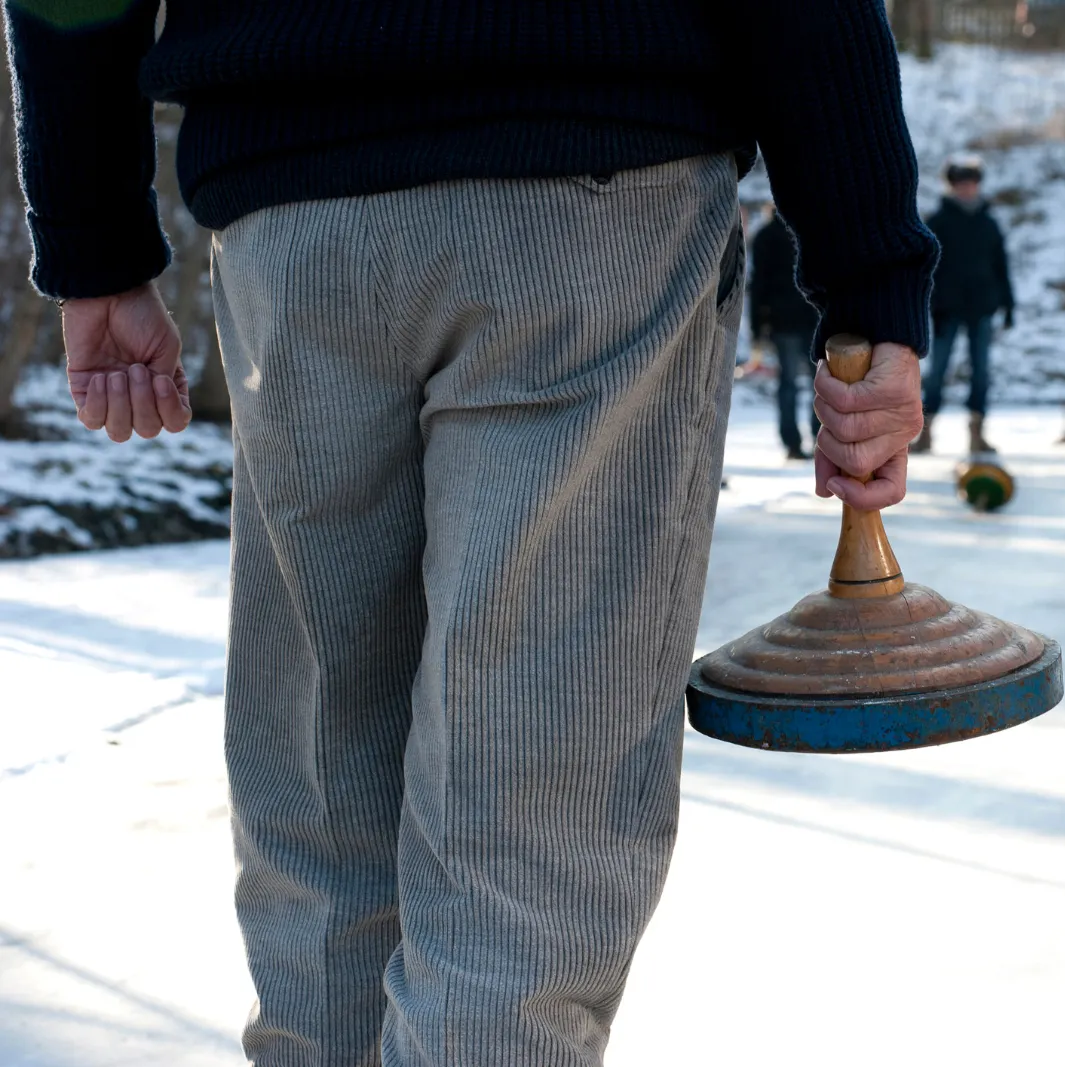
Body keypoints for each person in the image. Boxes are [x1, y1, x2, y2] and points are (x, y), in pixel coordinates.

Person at [4, 2, 934, 1063]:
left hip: (297, 218)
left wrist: (93, 247)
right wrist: (870, 282)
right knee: (523, 823)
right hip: (584, 192)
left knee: (322, 802)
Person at [913, 154, 1014, 456]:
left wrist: (1009, 304)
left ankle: (977, 432)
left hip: (982, 307)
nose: (966, 189)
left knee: (981, 371)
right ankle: (926, 432)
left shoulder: (989, 223)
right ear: (951, 186)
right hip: (946, 309)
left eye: (971, 183)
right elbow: (924, 269)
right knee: (938, 370)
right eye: (960, 184)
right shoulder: (937, 222)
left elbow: (1001, 266)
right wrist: (927, 304)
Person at [748, 207, 821, 460]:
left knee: (788, 383)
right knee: (821, 384)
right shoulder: (813, 232)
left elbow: (758, 286)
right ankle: (821, 439)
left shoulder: (766, 236)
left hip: (784, 321)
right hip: (814, 318)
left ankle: (792, 442)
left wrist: (757, 328)